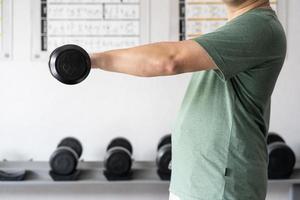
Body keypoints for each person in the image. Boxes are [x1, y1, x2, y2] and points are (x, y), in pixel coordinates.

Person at [90, 0, 286, 199]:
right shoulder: (237, 28)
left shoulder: (259, 27)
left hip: (219, 186)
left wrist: (94, 60)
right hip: (198, 182)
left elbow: (169, 60)